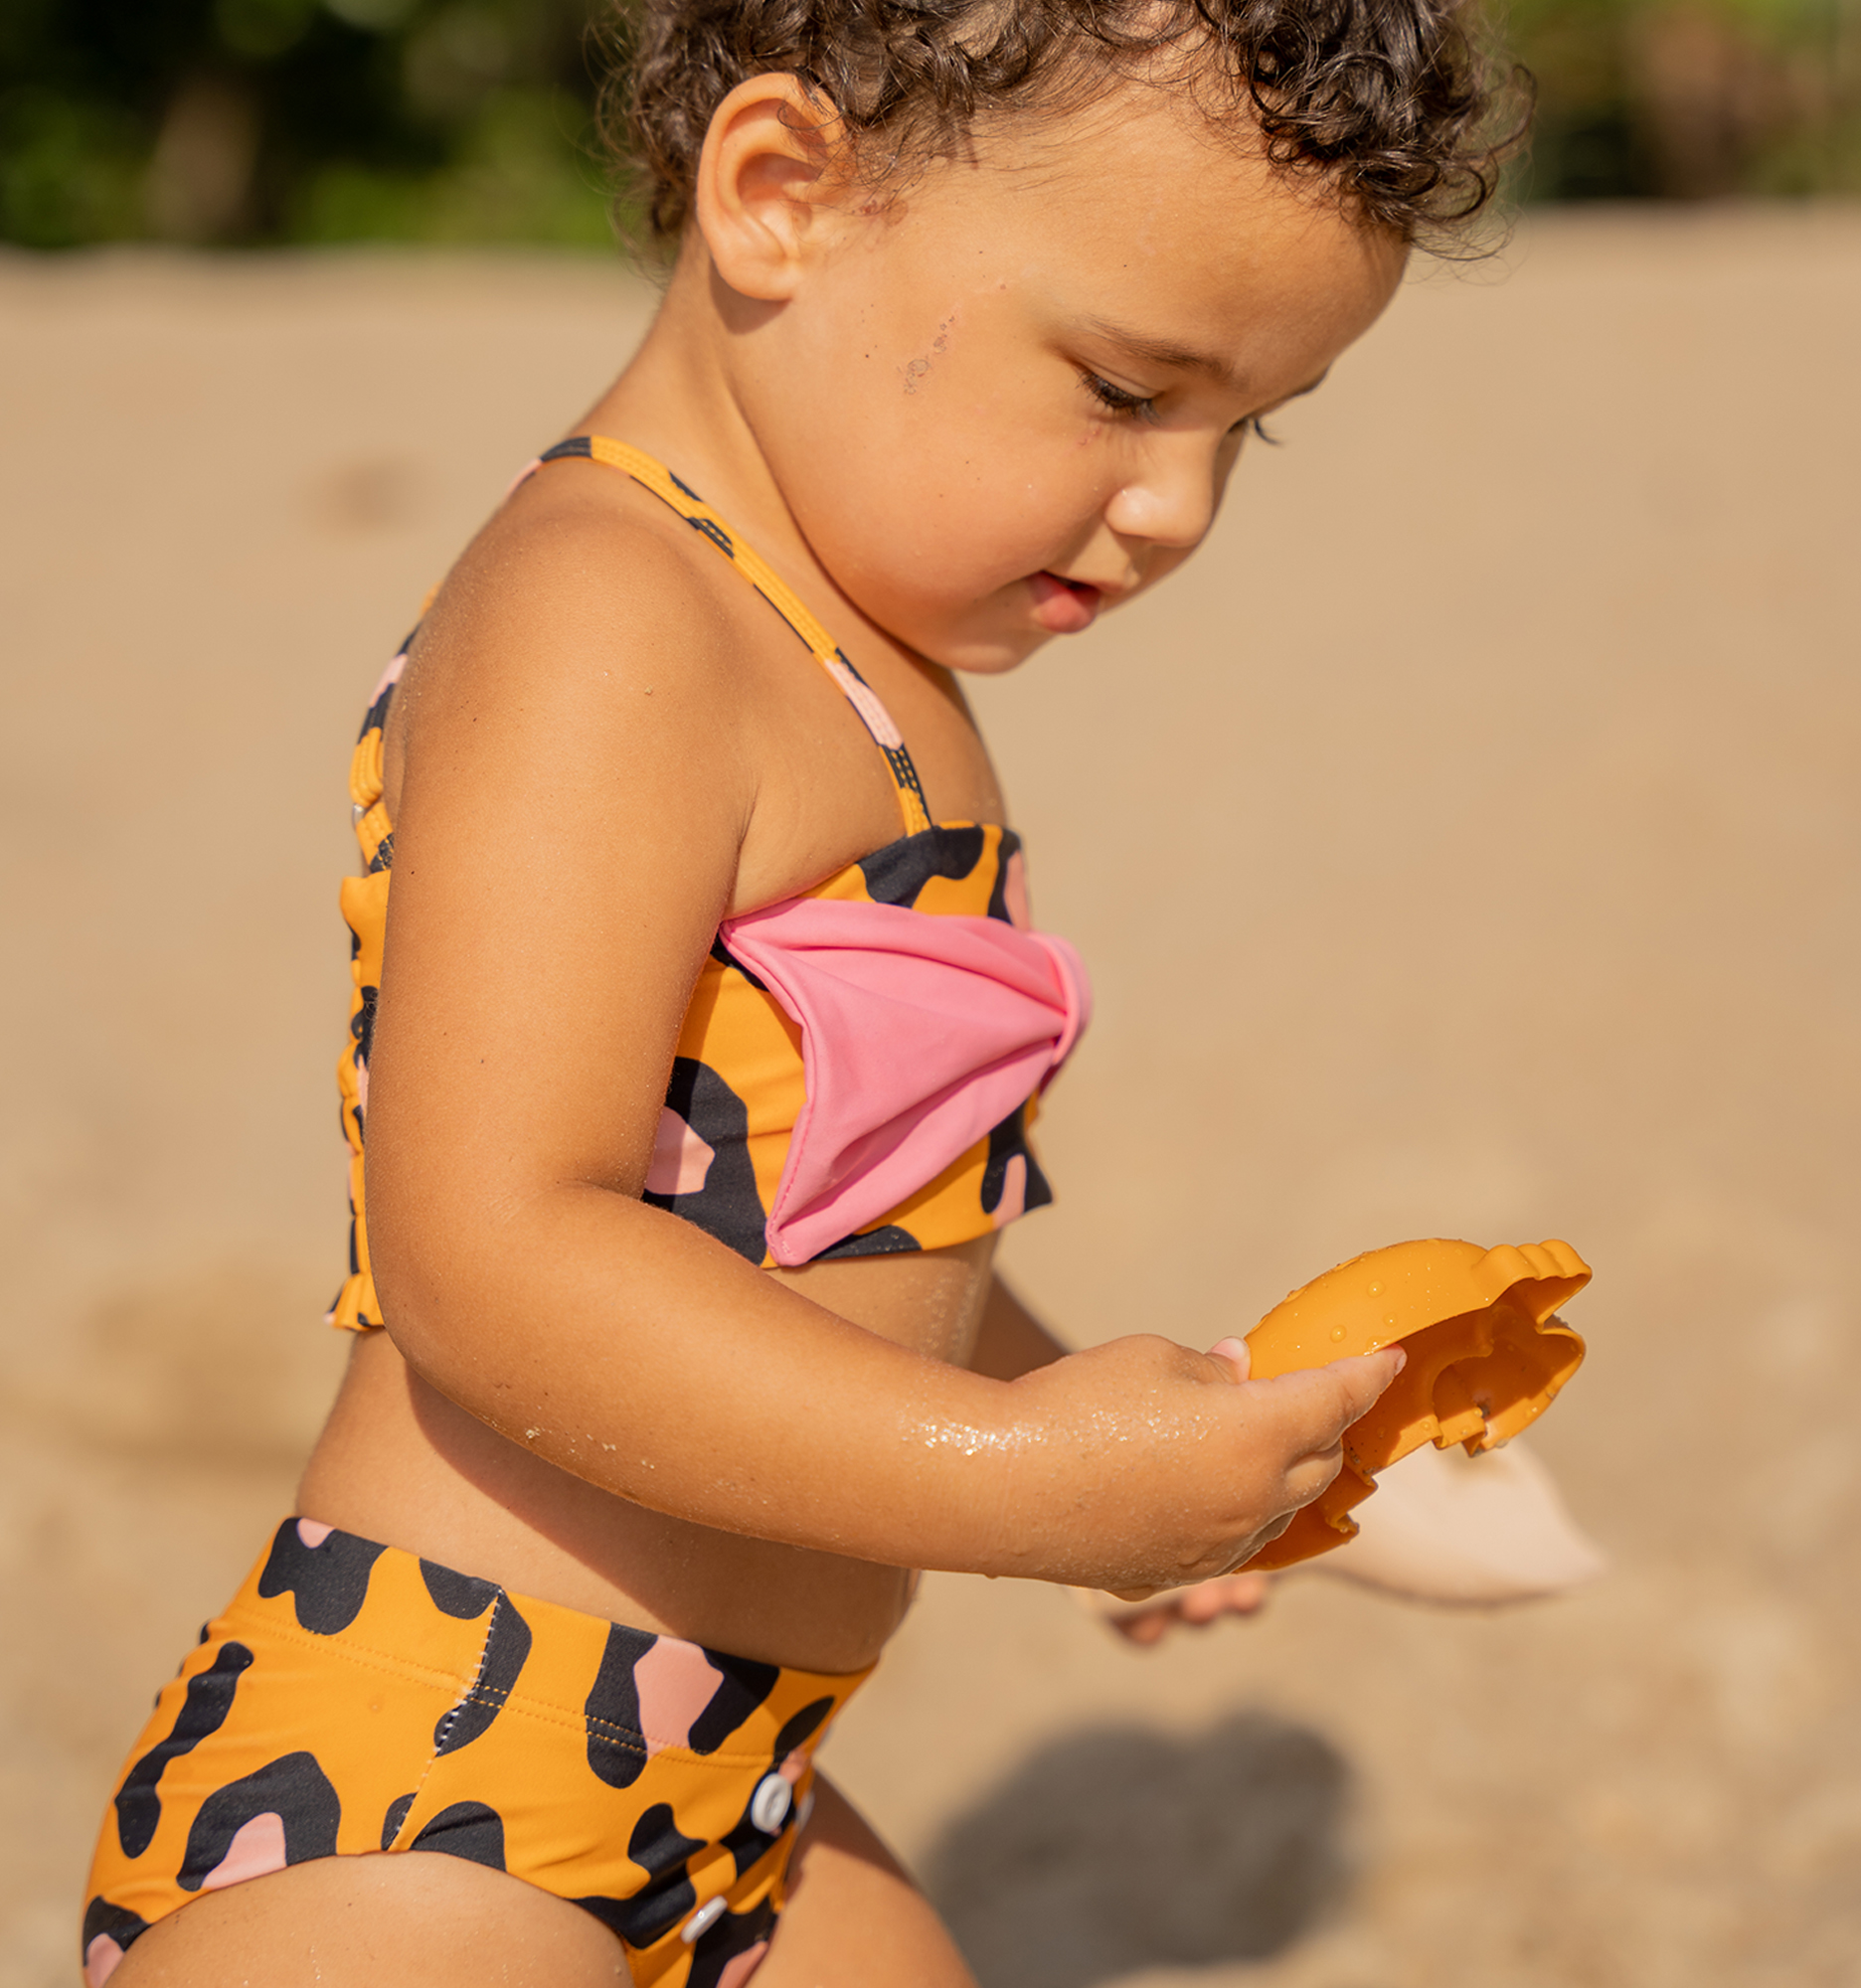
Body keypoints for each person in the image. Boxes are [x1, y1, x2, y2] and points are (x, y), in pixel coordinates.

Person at [81, 1, 1538, 1981]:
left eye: (1243, 424)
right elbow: (491, 1250)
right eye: (1124, 389)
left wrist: (1127, 1431)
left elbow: (833, 1235)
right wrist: (1020, 1484)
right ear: (781, 198)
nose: (1181, 507)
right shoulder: (609, 609)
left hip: (741, 1782)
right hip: (428, 1786)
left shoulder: (872, 667)